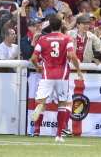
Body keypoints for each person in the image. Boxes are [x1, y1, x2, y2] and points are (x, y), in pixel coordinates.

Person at [30, 15, 83, 143]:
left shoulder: (42, 39)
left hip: (47, 75)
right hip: (62, 76)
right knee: (62, 104)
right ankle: (58, 135)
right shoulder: (67, 38)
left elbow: (33, 58)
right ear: (61, 26)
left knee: (40, 101)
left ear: (49, 26)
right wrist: (79, 70)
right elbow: (71, 55)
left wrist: (38, 67)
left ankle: (36, 131)